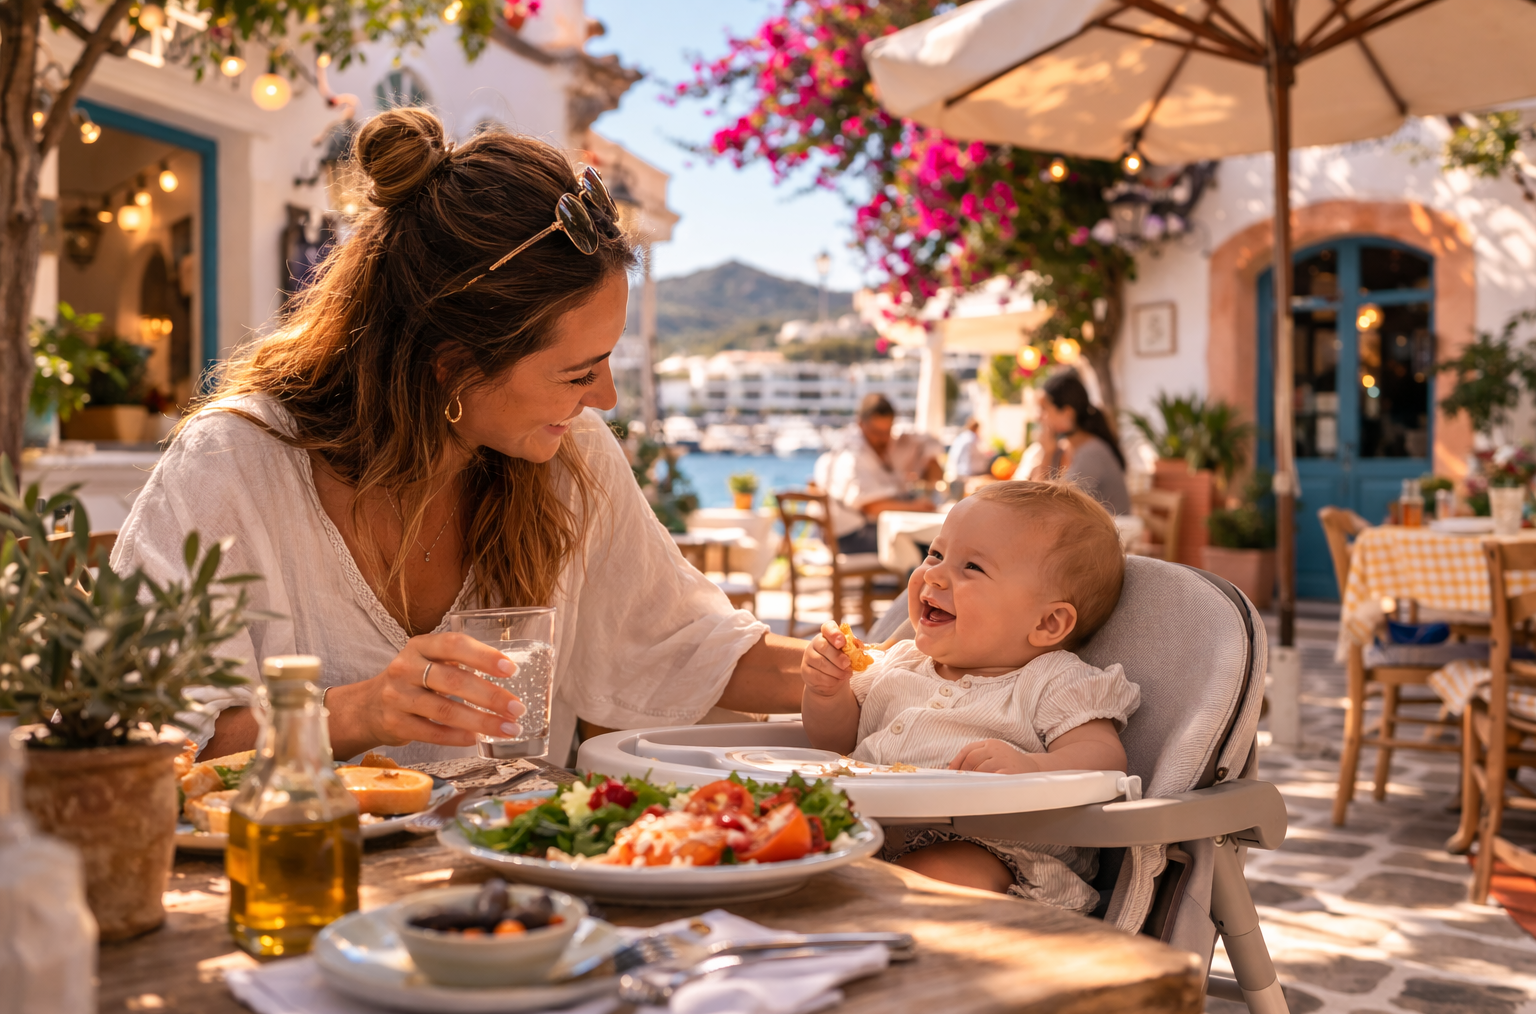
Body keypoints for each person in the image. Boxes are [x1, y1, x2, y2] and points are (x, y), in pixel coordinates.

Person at [112, 109, 807, 767]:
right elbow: (155, 743)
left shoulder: (571, 455)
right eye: (576, 374)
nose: (605, 398)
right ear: (454, 368)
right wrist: (357, 713)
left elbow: (686, 645)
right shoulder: (235, 466)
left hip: (511, 885)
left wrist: (878, 672)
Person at [800, 480, 1140, 911]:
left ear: (1049, 624)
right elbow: (835, 744)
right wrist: (827, 692)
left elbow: (1104, 757)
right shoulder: (897, 664)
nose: (934, 574)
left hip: (992, 849)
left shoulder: (1051, 680)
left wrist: (1033, 767)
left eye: (972, 568)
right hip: (867, 833)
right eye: (936, 554)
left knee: (944, 870)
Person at [823, 394, 943, 554]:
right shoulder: (851, 455)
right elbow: (871, 506)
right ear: (860, 424)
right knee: (923, 547)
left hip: (869, 527)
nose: (883, 439)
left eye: (887, 431)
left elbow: (928, 442)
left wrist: (930, 459)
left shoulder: (889, 445)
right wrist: (915, 507)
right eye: (876, 432)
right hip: (849, 536)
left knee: (931, 543)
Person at [1028, 370, 1131, 515]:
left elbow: (1053, 505)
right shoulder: (1063, 449)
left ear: (1067, 412)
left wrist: (1048, 454)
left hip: (1115, 531)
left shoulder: (1092, 452)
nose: (1039, 417)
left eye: (1044, 409)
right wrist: (1048, 453)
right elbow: (1035, 499)